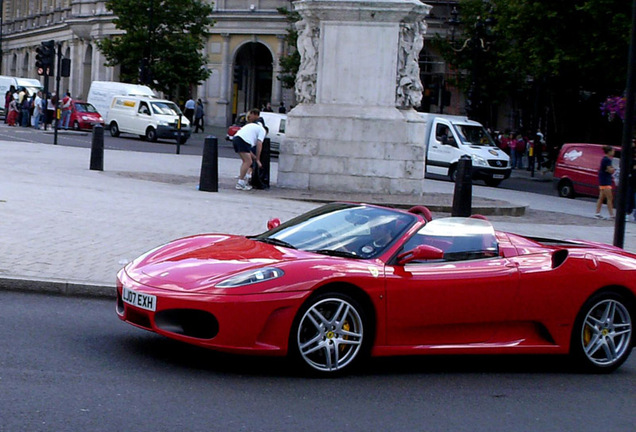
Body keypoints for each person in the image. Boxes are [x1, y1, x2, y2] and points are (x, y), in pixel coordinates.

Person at [232, 108, 266, 191]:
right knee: (248, 162)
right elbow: (259, 144)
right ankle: (240, 183)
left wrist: (255, 157)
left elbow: (248, 150)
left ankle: (242, 181)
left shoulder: (251, 126)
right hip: (242, 140)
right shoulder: (262, 130)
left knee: (246, 161)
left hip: (236, 138)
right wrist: (258, 159)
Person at [595, 145, 616, 219]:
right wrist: (612, 169)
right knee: (609, 198)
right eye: (613, 151)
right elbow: (610, 170)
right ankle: (611, 215)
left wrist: (610, 169)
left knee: (601, 197)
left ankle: (597, 213)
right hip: (606, 181)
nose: (614, 152)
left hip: (603, 180)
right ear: (609, 152)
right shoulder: (607, 160)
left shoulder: (604, 159)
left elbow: (608, 169)